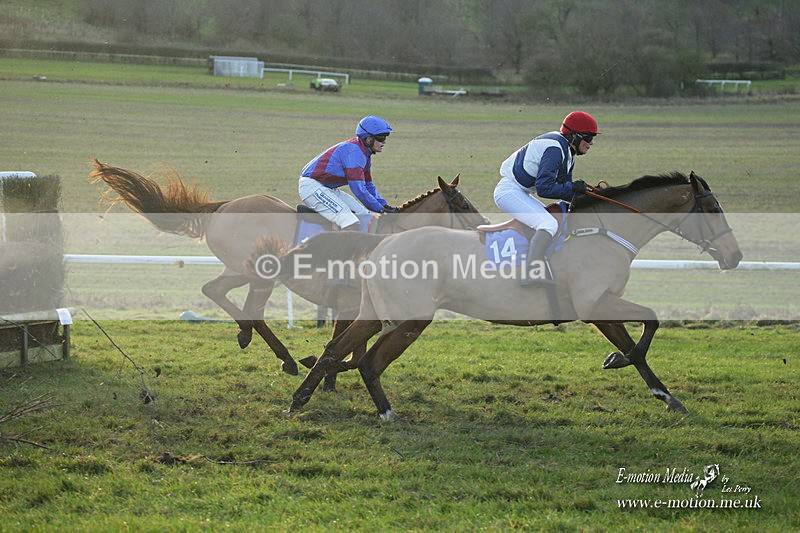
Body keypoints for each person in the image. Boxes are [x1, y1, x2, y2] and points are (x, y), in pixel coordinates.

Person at [493, 110, 600, 286]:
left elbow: (564, 190)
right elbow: (545, 188)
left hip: (519, 192)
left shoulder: (567, 153)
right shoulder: (555, 150)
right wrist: (573, 189)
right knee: (548, 224)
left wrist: (587, 195)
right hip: (509, 192)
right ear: (575, 136)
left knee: (556, 219)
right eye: (588, 138)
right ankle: (531, 273)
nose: (591, 143)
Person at [299, 115, 398, 231]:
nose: (384, 142)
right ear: (368, 139)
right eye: (381, 138)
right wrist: (380, 210)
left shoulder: (364, 154)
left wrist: (384, 205)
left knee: (365, 216)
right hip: (312, 186)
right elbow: (358, 189)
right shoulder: (355, 153)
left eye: (386, 137)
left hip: (327, 188)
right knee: (350, 221)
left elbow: (368, 185)